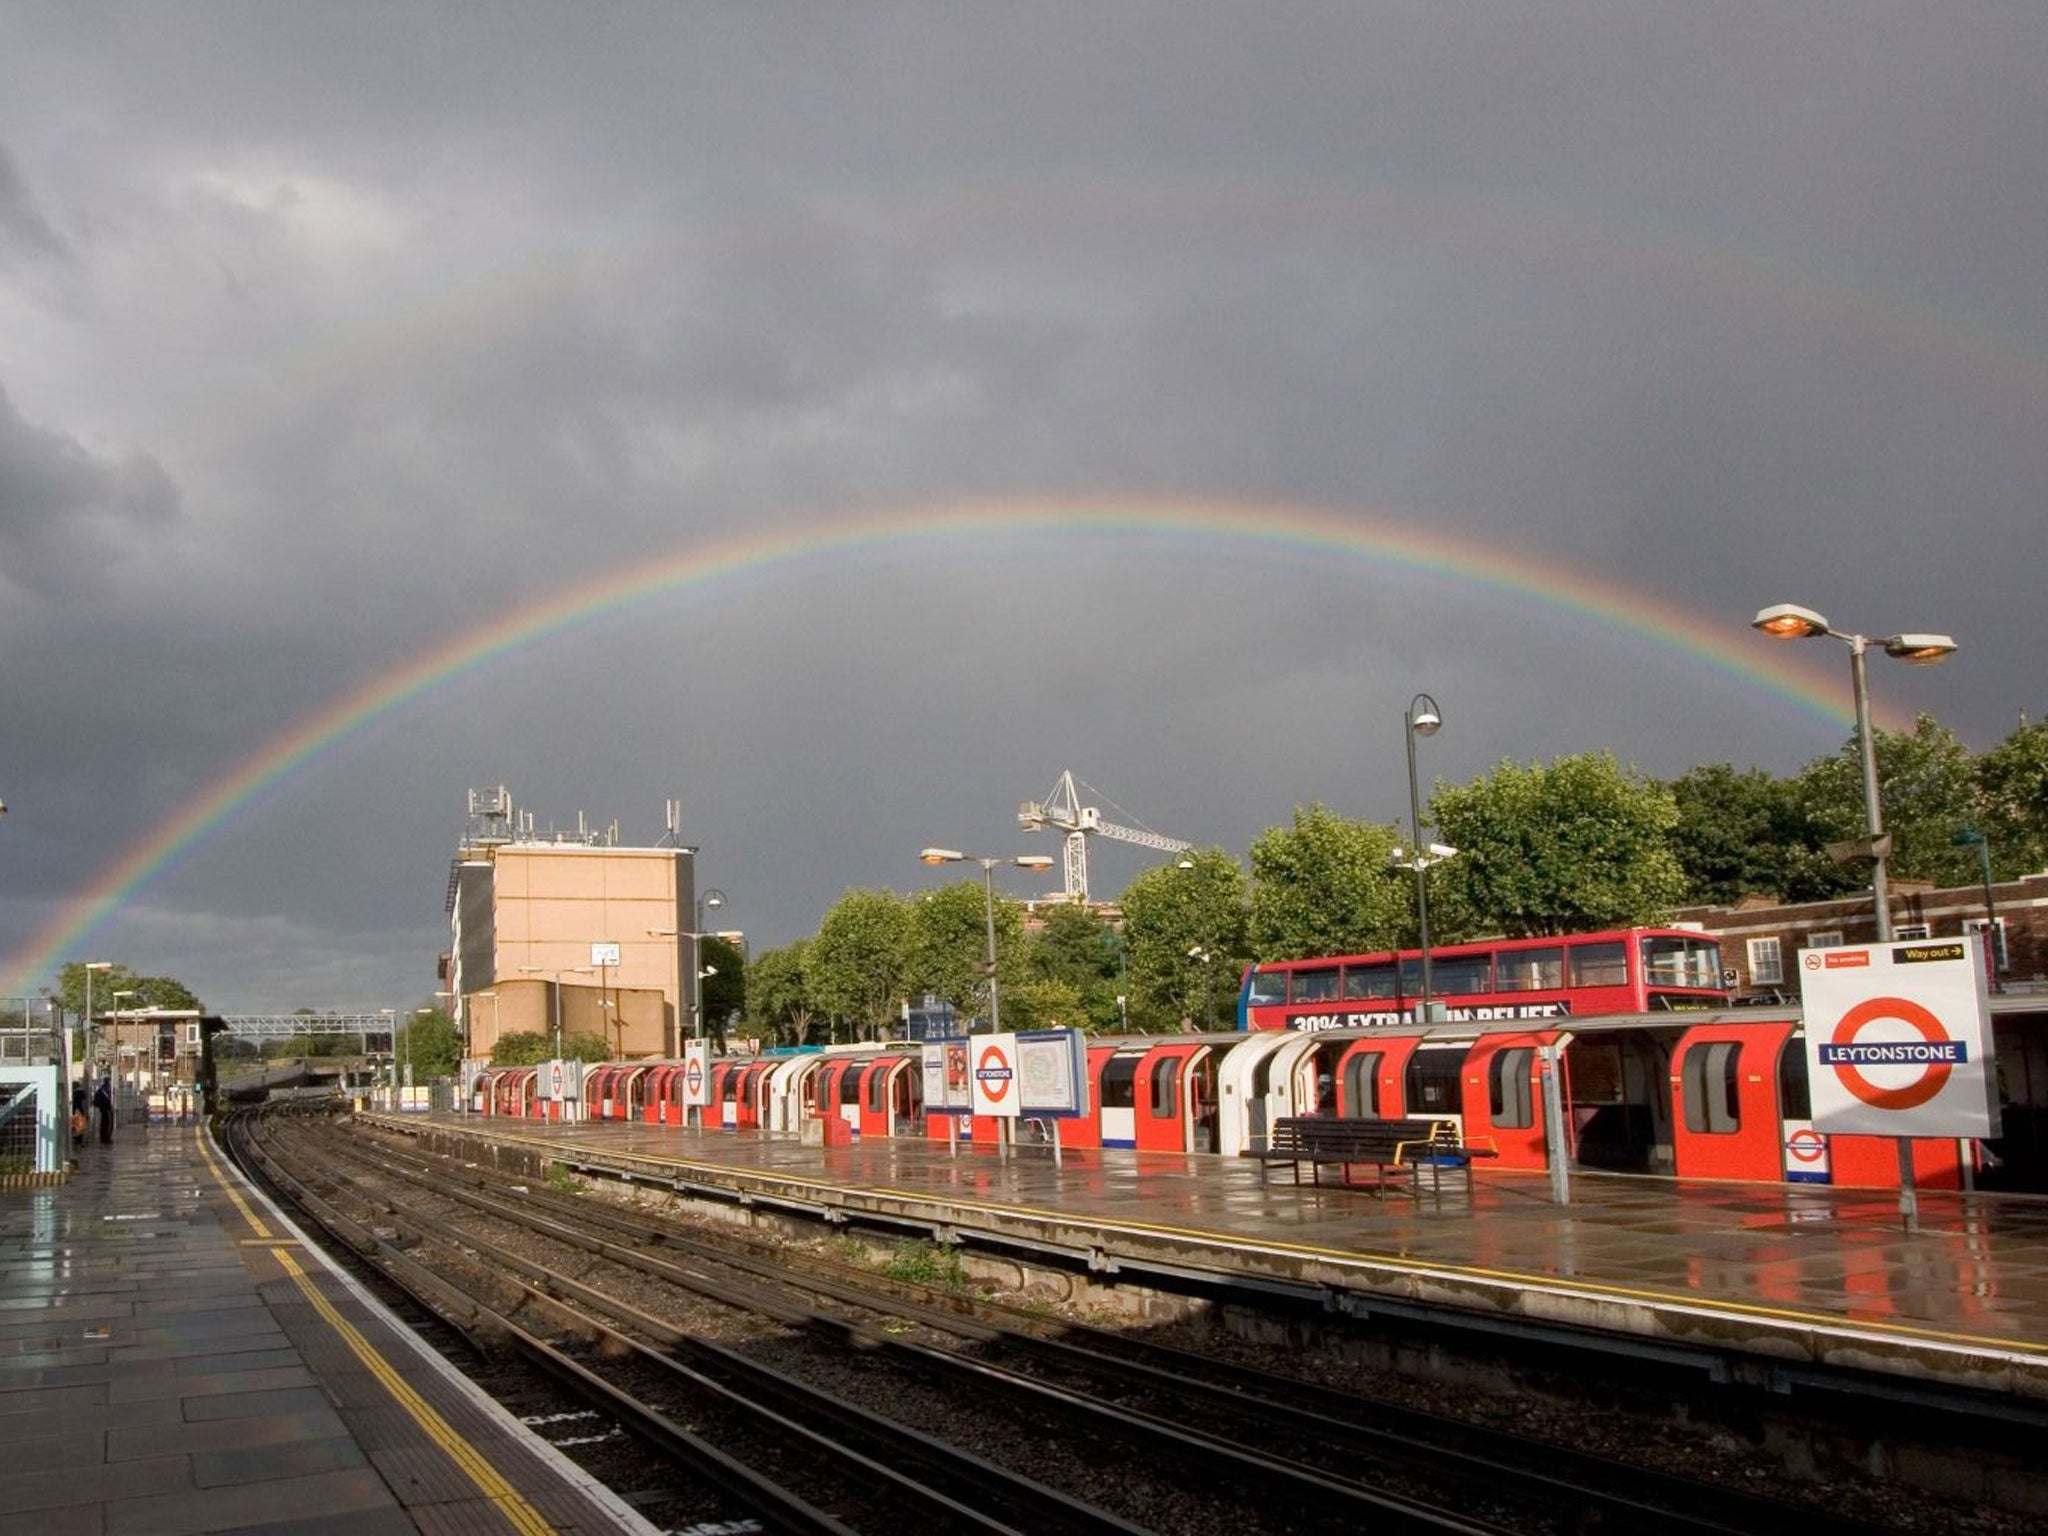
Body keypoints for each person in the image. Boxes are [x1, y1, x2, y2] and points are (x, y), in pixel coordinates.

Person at [92, 1076, 114, 1145]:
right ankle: (105, 1138)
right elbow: (107, 1101)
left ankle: (104, 1138)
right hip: (106, 1109)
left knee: (104, 1124)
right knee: (107, 1124)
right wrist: (109, 1108)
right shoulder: (104, 1090)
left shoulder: (102, 1089)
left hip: (104, 1109)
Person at [70, 1082, 88, 1151]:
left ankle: (78, 1141)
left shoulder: (76, 1093)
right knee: (79, 1128)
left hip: (76, 1111)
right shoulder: (80, 1093)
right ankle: (79, 1141)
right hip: (79, 1111)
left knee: (78, 1127)